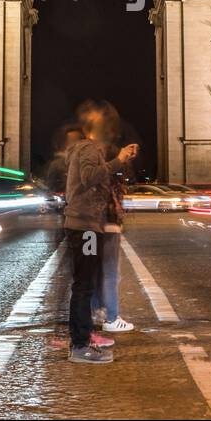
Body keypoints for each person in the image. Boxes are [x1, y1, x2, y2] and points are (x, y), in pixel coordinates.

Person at [63, 100, 137, 364]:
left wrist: (119, 161)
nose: (112, 130)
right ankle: (80, 345)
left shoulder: (85, 148)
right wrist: (117, 160)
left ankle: (83, 339)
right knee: (84, 286)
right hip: (85, 229)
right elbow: (89, 176)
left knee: (87, 284)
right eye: (108, 125)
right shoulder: (88, 147)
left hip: (87, 227)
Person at [92, 141, 135, 334]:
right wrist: (121, 160)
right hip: (108, 228)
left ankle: (95, 312)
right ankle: (111, 317)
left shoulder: (89, 172)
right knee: (110, 274)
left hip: (89, 229)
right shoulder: (109, 175)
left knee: (93, 272)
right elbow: (124, 180)